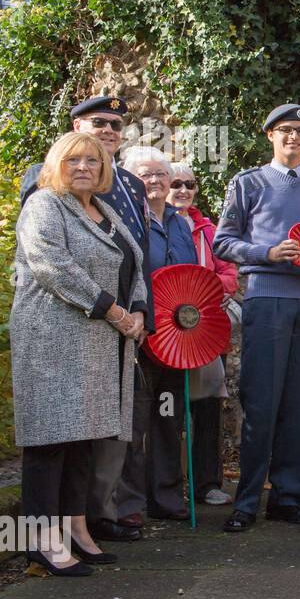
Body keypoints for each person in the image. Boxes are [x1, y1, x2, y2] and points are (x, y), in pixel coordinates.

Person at [11, 132, 148, 574]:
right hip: (53, 340)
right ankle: (41, 540)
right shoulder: (44, 205)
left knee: (83, 438)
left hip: (98, 342)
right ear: (56, 164)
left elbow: (134, 264)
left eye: (92, 160)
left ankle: (77, 529)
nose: (84, 167)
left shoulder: (105, 210)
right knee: (50, 440)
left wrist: (140, 311)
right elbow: (53, 266)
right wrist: (115, 312)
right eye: (73, 160)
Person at [212, 103, 300, 532]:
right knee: (262, 403)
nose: (294, 138)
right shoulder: (248, 184)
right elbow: (222, 242)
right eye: (285, 130)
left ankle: (287, 496)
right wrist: (265, 253)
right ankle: (246, 501)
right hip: (265, 299)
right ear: (270, 135)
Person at [117, 146, 199, 525]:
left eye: (161, 175)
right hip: (139, 333)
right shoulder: (127, 220)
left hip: (176, 338)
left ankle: (166, 496)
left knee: (169, 416)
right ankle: (128, 503)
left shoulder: (182, 224)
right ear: (131, 179)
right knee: (134, 420)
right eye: (145, 175)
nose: (155, 181)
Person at [167, 162, 236, 507]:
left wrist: (202, 285)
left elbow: (228, 273)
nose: (182, 190)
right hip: (165, 331)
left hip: (206, 328)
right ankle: (167, 486)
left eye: (189, 184)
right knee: (168, 408)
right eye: (175, 183)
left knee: (208, 405)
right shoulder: (154, 226)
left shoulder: (208, 229)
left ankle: (207, 482)